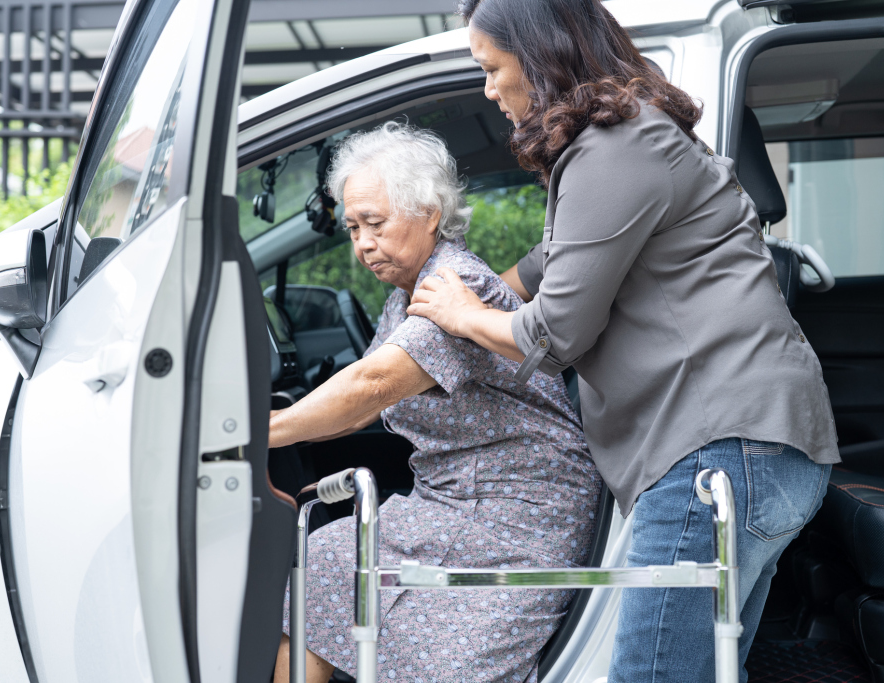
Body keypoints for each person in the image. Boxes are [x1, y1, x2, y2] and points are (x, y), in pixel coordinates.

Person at [407, 1, 840, 681]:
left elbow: (556, 330)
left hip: (718, 454)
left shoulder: (613, 148)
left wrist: (463, 314)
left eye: (491, 68)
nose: (488, 89)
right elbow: (551, 263)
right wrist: (472, 289)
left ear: (541, 54)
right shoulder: (631, 137)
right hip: (754, 448)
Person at [270, 121, 601, 683]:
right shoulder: (406, 296)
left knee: (339, 567)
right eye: (352, 228)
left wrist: (254, 432)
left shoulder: (451, 285)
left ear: (429, 212)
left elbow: (372, 387)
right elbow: (365, 403)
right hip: (455, 501)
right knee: (327, 561)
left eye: (375, 223)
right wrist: (285, 430)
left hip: (518, 509)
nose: (362, 244)